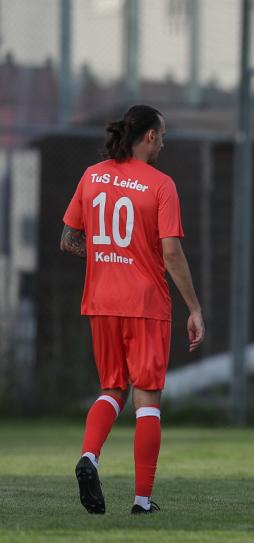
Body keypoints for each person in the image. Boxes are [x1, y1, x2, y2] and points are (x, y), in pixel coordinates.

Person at [61, 104, 205, 515]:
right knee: (147, 400)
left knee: (111, 389)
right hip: (145, 303)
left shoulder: (92, 175)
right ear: (149, 137)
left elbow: (68, 239)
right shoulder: (161, 185)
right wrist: (194, 307)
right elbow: (171, 252)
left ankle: (90, 457)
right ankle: (142, 501)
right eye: (162, 134)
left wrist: (108, 255)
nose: (164, 141)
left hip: (101, 300)